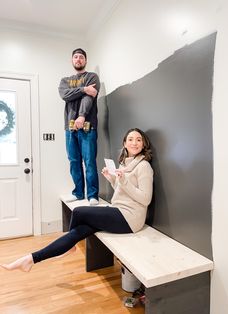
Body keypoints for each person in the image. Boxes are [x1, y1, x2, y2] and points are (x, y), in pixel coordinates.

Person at [0, 128, 154, 272]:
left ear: (143, 144)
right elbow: (124, 193)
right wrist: (112, 179)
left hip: (130, 218)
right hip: (117, 211)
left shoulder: (144, 166)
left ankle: (69, 246)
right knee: (80, 231)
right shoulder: (124, 163)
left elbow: (145, 199)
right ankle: (31, 259)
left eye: (139, 140)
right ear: (125, 143)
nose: (134, 143)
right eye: (131, 139)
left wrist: (124, 181)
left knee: (79, 212)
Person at [59, 48, 100, 205]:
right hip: (70, 128)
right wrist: (83, 89)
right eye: (75, 57)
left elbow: (89, 98)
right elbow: (65, 95)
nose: (78, 59)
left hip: (88, 127)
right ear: (72, 60)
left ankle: (92, 195)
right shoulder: (65, 81)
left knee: (89, 161)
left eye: (81, 57)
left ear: (85, 60)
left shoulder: (92, 77)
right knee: (74, 161)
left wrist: (82, 115)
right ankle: (78, 193)